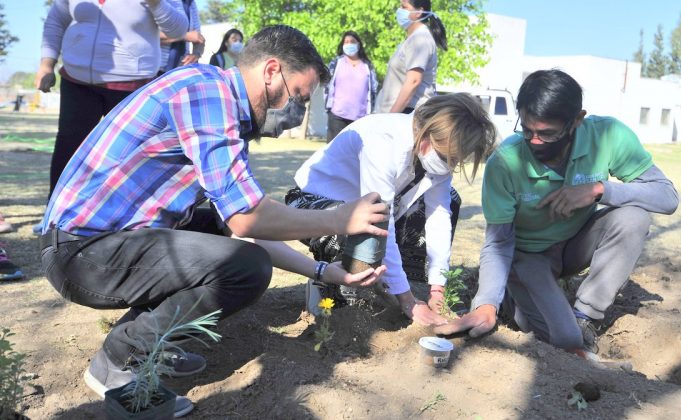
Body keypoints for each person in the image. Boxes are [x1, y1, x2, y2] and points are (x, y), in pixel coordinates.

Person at [39, 25, 388, 417]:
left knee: (232, 248)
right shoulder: (207, 96)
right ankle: (121, 361)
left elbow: (239, 224)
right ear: (271, 70)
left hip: (105, 243)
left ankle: (151, 341)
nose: (292, 114)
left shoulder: (214, 100)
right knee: (245, 268)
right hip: (81, 253)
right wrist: (339, 219)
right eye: (295, 97)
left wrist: (325, 271)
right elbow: (248, 219)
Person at [435, 69, 679, 358]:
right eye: (527, 130)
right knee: (563, 339)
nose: (535, 141)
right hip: (528, 256)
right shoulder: (506, 162)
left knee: (634, 217)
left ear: (577, 120)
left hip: (577, 243)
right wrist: (487, 303)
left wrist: (600, 190)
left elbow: (667, 197)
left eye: (547, 133)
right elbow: (498, 242)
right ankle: (514, 300)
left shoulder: (608, 135)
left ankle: (585, 316)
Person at [287, 93, 496, 326]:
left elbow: (439, 215)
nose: (452, 166)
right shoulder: (383, 141)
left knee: (452, 198)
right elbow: (379, 218)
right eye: (449, 157)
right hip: (314, 205)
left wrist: (438, 286)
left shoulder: (434, 154)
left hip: (365, 210)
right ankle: (332, 283)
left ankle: (398, 280)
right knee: (366, 221)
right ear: (426, 134)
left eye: (457, 160)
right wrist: (407, 301)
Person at [35, 0, 188, 199]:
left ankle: (124, 223)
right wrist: (47, 63)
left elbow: (178, 30)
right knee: (68, 149)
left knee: (128, 158)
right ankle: (56, 218)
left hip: (130, 85)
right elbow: (56, 20)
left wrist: (156, 4)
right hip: (76, 79)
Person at [374, 0, 447, 114]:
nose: (399, 11)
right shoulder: (412, 38)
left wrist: (391, 116)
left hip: (407, 113)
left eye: (404, 7)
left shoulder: (420, 38)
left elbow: (413, 81)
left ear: (418, 12)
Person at [324, 31, 378, 142]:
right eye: (346, 42)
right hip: (337, 116)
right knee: (334, 153)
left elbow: (373, 90)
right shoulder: (336, 63)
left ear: (358, 44)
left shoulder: (367, 66)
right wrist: (328, 108)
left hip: (360, 119)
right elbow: (327, 85)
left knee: (354, 155)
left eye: (352, 42)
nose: (349, 44)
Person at [159, 0, 205, 74]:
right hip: (153, 72)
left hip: (181, 71)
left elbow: (198, 37)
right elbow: (147, 35)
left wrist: (196, 54)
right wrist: (184, 36)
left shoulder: (190, 3)